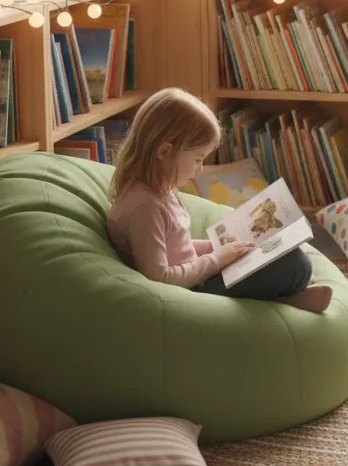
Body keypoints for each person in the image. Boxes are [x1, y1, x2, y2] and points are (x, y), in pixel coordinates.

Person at [106, 87, 332, 312]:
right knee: (295, 266)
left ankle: (279, 299)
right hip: (190, 295)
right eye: (197, 159)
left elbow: (174, 248)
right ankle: (282, 301)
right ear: (165, 152)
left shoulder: (160, 189)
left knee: (287, 253)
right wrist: (216, 260)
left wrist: (217, 247)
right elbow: (160, 279)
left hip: (198, 277)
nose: (200, 169)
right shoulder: (144, 207)